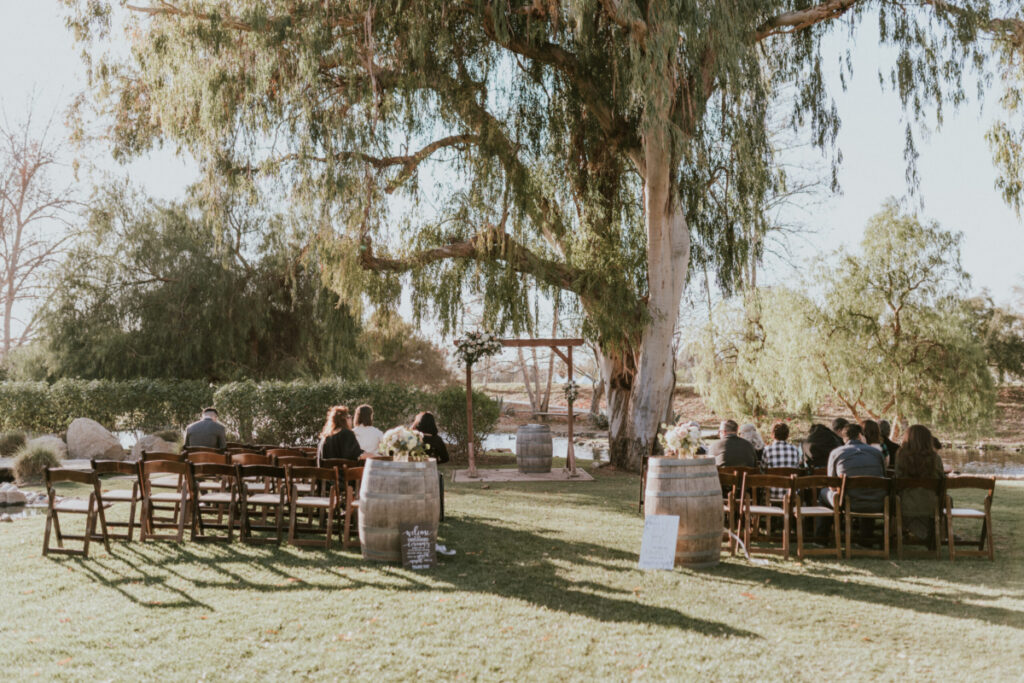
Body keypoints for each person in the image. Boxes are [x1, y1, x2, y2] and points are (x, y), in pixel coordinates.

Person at [817, 423, 887, 539]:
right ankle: (866, 539)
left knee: (824, 493)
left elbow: (832, 486)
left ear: (844, 438)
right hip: (877, 501)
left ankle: (821, 539)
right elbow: (882, 478)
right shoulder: (877, 453)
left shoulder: (837, 453)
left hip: (848, 502)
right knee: (867, 491)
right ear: (860, 436)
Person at [410, 411, 454, 555]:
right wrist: (435, 462)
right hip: (431, 474)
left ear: (418, 424)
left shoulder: (413, 439)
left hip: (413, 474)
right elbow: (446, 458)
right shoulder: (437, 440)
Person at [894, 424, 945, 546]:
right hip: (931, 504)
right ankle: (936, 535)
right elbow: (942, 480)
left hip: (906, 504)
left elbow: (897, 480)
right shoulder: (935, 458)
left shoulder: (900, 456)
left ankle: (915, 534)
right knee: (948, 500)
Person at [762, 422, 803, 503]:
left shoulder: (767, 450)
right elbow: (797, 469)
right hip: (791, 492)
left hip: (771, 493)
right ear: (787, 435)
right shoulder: (794, 449)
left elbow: (762, 471)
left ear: (772, 435)